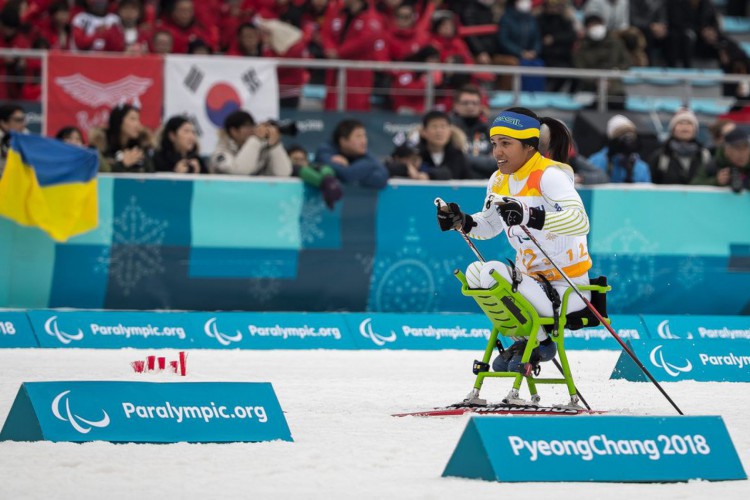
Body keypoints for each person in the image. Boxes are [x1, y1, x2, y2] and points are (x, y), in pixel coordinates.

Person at [436, 108, 592, 396]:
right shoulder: (498, 180)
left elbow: (581, 221)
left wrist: (530, 215)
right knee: (474, 273)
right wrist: (464, 222)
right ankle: (527, 339)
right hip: (532, 285)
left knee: (493, 270)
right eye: (494, 143)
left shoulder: (550, 175)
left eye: (506, 144)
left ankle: (541, 341)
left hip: (568, 289)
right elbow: (488, 226)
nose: (498, 151)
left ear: (529, 146)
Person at [210, 110, 292, 177]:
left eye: (253, 125)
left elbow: (283, 173)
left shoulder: (262, 148)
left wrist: (275, 145)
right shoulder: (221, 152)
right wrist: (256, 139)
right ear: (233, 131)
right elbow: (240, 171)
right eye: (247, 126)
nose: (252, 130)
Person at [314, 119, 389, 188]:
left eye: (364, 136)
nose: (364, 141)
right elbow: (346, 175)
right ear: (343, 141)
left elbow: (382, 177)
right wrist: (367, 168)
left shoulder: (363, 154)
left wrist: (352, 171)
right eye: (358, 136)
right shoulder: (325, 151)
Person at [647, 109, 711, 185]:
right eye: (680, 123)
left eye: (689, 124)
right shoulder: (661, 156)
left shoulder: (704, 155)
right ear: (673, 129)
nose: (685, 127)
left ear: (695, 130)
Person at [588, 114, 651, 183]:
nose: (628, 142)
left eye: (631, 136)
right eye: (622, 136)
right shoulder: (595, 162)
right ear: (612, 140)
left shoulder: (641, 168)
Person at [450, 85, 496, 178]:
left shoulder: (490, 129)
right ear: (456, 105)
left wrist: (465, 158)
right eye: (465, 103)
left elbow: (497, 163)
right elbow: (451, 161)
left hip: (486, 184)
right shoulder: (448, 130)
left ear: (480, 106)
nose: (470, 106)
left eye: (474, 103)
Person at [418, 110, 474, 180]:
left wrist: (428, 175)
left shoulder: (457, 155)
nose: (439, 131)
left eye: (443, 127)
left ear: (450, 131)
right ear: (423, 132)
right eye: (434, 127)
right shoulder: (416, 154)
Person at [99, 103, 155, 173]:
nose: (138, 124)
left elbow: (151, 176)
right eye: (133, 119)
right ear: (119, 120)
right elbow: (102, 179)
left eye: (138, 120)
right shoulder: (101, 148)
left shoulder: (140, 148)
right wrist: (122, 164)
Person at [287, 144, 343, 210]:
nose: (299, 162)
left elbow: (324, 168)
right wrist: (325, 182)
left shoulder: (312, 167)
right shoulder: (286, 170)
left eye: (302, 159)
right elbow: (297, 169)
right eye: (295, 159)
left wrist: (328, 179)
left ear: (307, 161)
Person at [694, 128, 750, 193]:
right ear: (727, 150)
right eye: (737, 148)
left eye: (746, 148)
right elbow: (693, 187)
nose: (742, 154)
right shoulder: (713, 166)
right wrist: (716, 181)